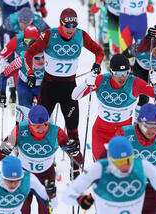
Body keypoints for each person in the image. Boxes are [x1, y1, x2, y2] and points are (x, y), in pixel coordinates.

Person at [0, 105, 83, 214]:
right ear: (29, 123)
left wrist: (75, 151)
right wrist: (5, 149)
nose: (41, 129)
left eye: (44, 125)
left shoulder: (56, 132)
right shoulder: (19, 131)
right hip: (23, 180)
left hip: (45, 179)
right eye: (36, 126)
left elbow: (79, 160)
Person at [24, 8, 105, 158]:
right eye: (67, 26)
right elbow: (29, 54)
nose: (71, 29)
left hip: (70, 90)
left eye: (74, 26)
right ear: (60, 23)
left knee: (72, 127)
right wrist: (30, 73)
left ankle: (76, 166)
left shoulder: (81, 35)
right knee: (39, 123)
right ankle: (35, 154)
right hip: (49, 88)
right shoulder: (49, 35)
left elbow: (99, 51)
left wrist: (97, 64)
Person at [71, 54, 156, 161]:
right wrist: (86, 84)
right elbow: (74, 96)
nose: (122, 77)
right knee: (101, 167)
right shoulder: (101, 80)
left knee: (121, 168)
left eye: (125, 73)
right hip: (101, 131)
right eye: (118, 73)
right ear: (111, 72)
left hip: (124, 132)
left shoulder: (134, 83)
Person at [122, 25, 156, 119]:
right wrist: (126, 68)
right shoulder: (138, 48)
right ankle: (138, 119)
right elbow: (123, 56)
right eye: (153, 48)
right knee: (144, 97)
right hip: (140, 71)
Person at [0, 25, 40, 108]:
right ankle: (13, 93)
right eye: (27, 42)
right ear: (24, 39)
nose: (30, 45)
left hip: (40, 78)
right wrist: (10, 66)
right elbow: (0, 57)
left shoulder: (44, 40)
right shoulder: (17, 40)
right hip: (22, 74)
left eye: (34, 42)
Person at [0, 50, 45, 123]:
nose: (41, 60)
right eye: (37, 58)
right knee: (25, 113)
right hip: (24, 85)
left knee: (45, 114)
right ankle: (21, 129)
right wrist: (2, 94)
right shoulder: (21, 60)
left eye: (43, 57)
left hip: (42, 85)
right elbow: (3, 75)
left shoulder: (50, 58)